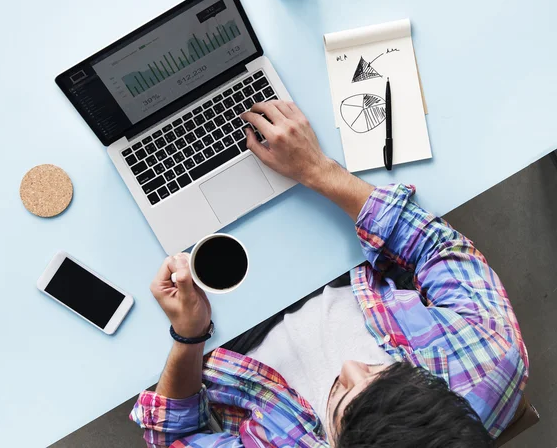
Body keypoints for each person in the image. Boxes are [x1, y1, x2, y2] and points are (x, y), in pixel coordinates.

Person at [130, 100, 528, 448]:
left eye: (341, 394)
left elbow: (174, 437)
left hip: (226, 331)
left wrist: (188, 336)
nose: (350, 366)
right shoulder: (488, 367)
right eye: (384, 369)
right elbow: (436, 248)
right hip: (343, 263)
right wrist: (317, 168)